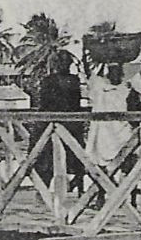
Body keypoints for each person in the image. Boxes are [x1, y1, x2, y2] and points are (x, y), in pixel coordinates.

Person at [33, 50, 84, 192]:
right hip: (67, 124)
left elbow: (44, 104)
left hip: (57, 123)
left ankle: (44, 189)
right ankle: (77, 187)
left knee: (48, 157)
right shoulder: (71, 80)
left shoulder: (52, 80)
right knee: (71, 156)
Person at [88, 63, 131, 168]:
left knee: (125, 155)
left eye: (117, 72)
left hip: (120, 131)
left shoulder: (124, 90)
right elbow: (92, 77)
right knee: (103, 154)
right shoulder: (101, 89)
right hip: (105, 131)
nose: (115, 76)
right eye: (112, 72)